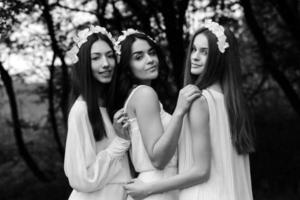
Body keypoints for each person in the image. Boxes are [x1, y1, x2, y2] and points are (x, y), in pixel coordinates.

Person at [124, 20, 255, 200]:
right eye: (193, 49)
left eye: (204, 52)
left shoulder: (199, 100)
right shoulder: (233, 104)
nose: (194, 57)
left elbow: (201, 170)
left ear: (218, 58)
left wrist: (148, 188)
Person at [107, 29, 201, 200]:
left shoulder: (136, 96)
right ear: (127, 67)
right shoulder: (144, 94)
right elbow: (158, 159)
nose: (150, 60)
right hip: (156, 190)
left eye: (151, 53)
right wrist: (179, 111)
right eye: (138, 57)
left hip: (158, 187)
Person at [64, 25, 131, 200]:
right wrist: (120, 143)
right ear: (84, 64)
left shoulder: (112, 104)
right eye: (96, 58)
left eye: (110, 56)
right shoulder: (81, 111)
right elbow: (82, 179)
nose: (106, 64)